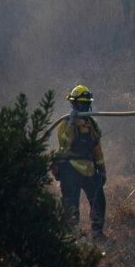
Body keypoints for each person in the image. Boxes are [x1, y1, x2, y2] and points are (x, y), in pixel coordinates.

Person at [53, 84, 107, 240]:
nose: (84, 106)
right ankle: (71, 237)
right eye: (81, 103)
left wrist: (102, 169)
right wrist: (71, 123)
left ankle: (97, 233)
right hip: (70, 170)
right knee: (71, 205)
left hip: (89, 169)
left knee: (99, 202)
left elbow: (96, 149)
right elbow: (64, 143)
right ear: (74, 104)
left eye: (86, 103)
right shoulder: (65, 123)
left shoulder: (91, 124)